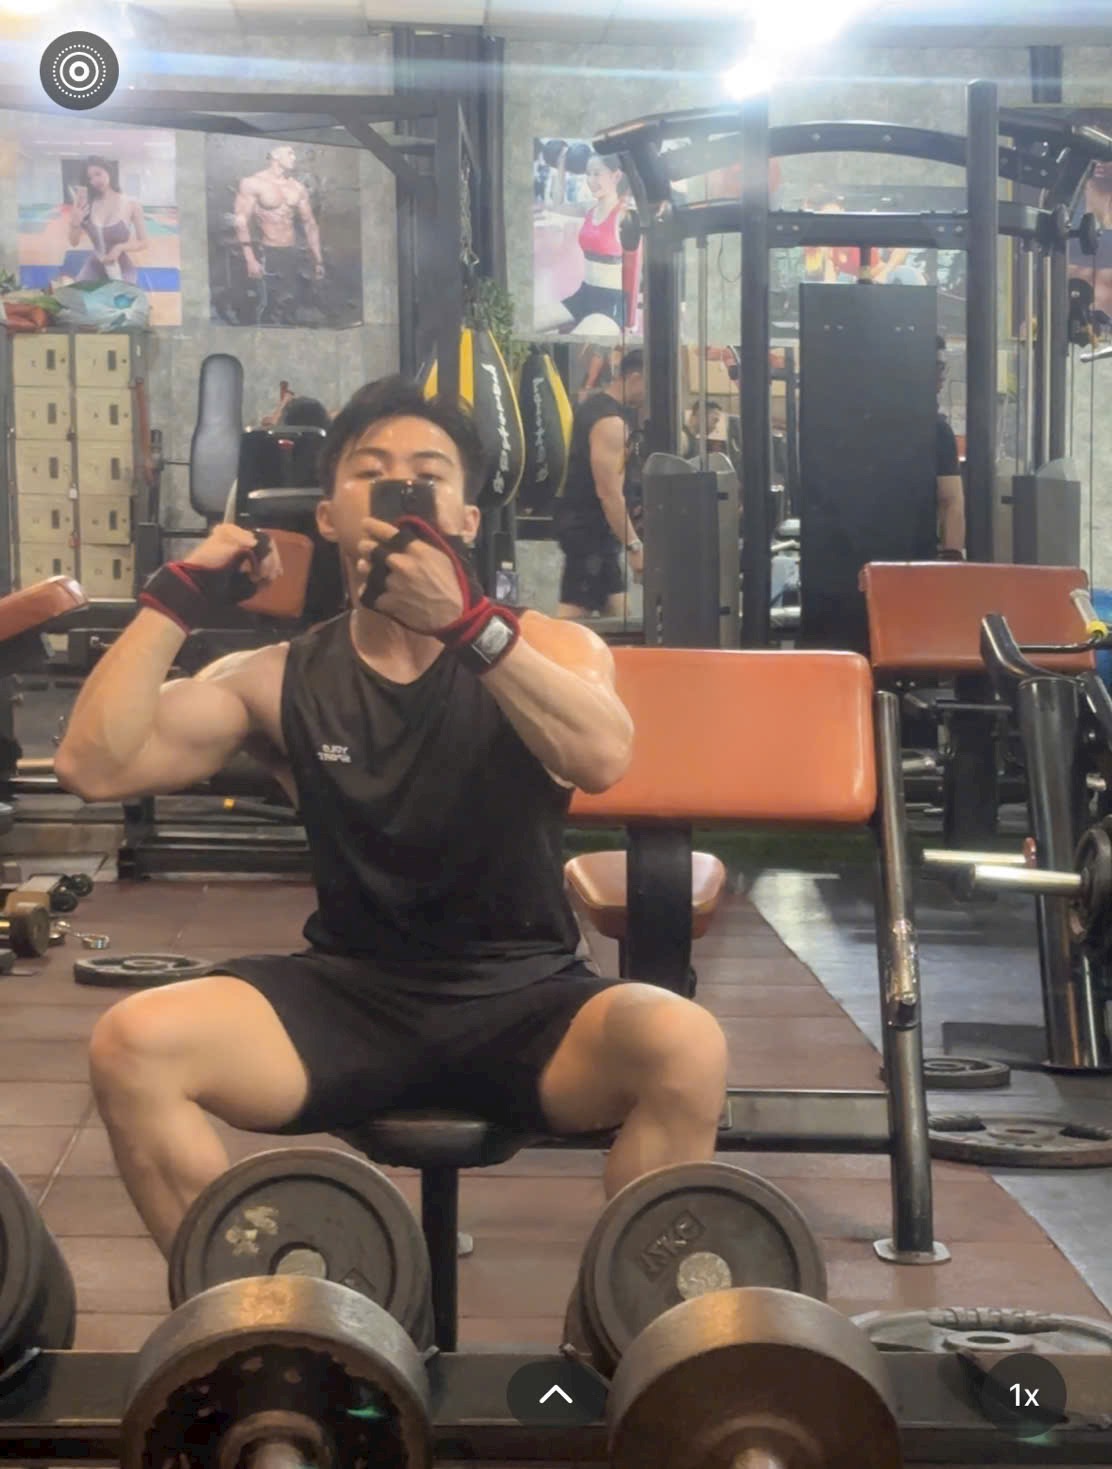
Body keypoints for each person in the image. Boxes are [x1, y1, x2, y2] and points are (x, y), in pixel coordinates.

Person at [55, 375, 727, 1257]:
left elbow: (601, 757)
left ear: (466, 517)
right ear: (328, 516)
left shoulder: (553, 646)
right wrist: (176, 599)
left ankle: (622, 1323)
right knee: (132, 1043)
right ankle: (256, 1316)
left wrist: (468, 624)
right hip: (350, 999)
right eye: (371, 471)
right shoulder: (275, 677)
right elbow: (92, 764)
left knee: (685, 1044)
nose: (400, 486)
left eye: (427, 473)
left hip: (529, 1001)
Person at [555, 349, 646, 620]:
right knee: (573, 616)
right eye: (649, 385)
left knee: (618, 613)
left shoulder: (599, 409)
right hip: (589, 535)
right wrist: (634, 546)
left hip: (597, 535)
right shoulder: (610, 422)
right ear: (635, 377)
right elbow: (609, 494)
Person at [535, 151, 637, 337]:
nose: (590, 180)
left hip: (611, 305)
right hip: (584, 295)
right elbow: (557, 205)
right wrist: (561, 163)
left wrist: (631, 316)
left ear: (616, 176)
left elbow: (638, 265)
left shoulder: (625, 215)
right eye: (588, 174)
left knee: (574, 340)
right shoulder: (589, 208)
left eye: (597, 174)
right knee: (531, 321)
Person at [232, 145, 325, 325]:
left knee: (291, 305)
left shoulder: (297, 187)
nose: (294, 157)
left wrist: (318, 260)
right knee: (266, 306)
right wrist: (250, 259)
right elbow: (241, 222)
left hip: (291, 252)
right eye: (290, 153)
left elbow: (310, 224)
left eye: (294, 154)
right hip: (266, 251)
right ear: (275, 155)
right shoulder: (253, 183)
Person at [67, 156, 149, 286]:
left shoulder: (131, 204)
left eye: (98, 174)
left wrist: (119, 248)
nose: (95, 180)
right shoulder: (87, 205)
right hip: (95, 265)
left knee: (122, 297)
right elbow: (74, 242)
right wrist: (75, 223)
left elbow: (144, 242)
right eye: (90, 178)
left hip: (121, 267)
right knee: (79, 294)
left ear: (108, 171)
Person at [936, 335, 966, 558]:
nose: (942, 377)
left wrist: (951, 560)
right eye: (937, 368)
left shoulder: (938, 431)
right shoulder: (937, 431)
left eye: (942, 368)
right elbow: (952, 501)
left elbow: (951, 503)